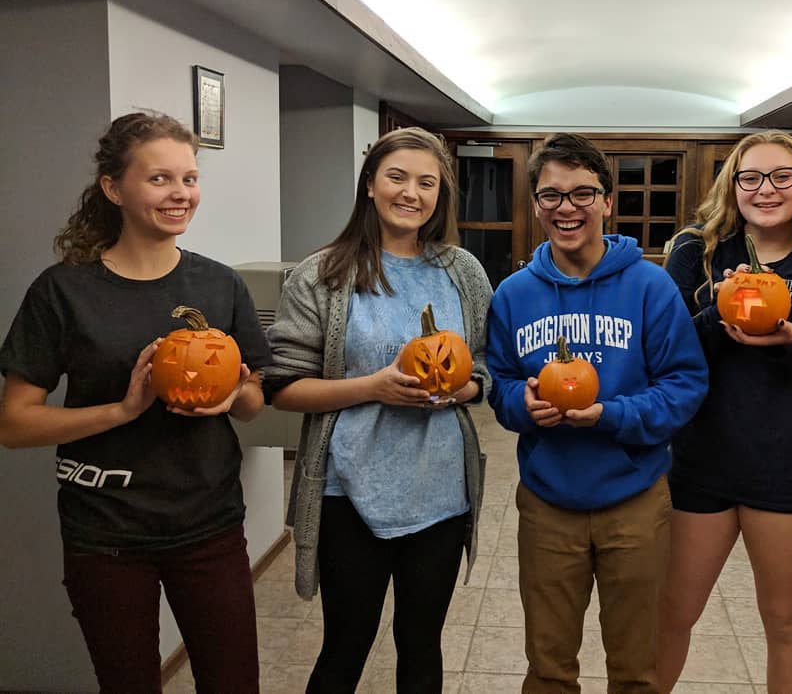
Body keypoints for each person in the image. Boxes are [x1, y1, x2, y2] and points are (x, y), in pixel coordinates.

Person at [0, 112, 270, 693]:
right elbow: (15, 424)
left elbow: (253, 399)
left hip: (210, 525)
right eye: (159, 179)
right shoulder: (63, 291)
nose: (181, 194)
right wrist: (122, 410)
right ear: (113, 188)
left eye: (190, 178)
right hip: (107, 534)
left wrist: (232, 398)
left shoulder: (220, 286)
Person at [263, 127, 491, 694]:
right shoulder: (321, 274)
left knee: (421, 646)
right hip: (348, 493)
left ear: (440, 196)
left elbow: (482, 369)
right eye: (397, 177)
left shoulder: (462, 272)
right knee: (346, 644)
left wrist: (462, 390)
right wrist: (373, 388)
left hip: (439, 493)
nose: (411, 192)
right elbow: (283, 386)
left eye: (426, 182)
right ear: (370, 185)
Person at [486, 132, 708, 693]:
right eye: (551, 196)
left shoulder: (651, 287)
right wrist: (523, 405)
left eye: (582, 193)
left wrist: (610, 414)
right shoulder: (513, 294)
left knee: (638, 667)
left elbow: (685, 384)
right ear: (535, 204)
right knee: (548, 665)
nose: (567, 208)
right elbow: (500, 383)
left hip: (635, 500)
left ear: (607, 201)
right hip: (547, 502)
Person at [658, 131, 792, 693]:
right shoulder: (696, 252)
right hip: (702, 460)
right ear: (733, 185)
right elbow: (669, 359)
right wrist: (719, 317)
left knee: (788, 622)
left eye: (781, 176)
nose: (765, 189)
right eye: (750, 177)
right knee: (670, 612)